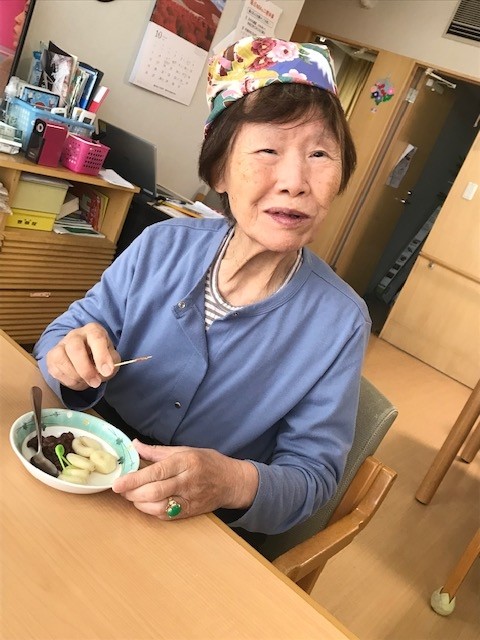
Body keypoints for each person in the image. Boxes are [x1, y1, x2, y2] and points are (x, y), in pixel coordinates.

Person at [33, 36, 371, 544]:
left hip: (194, 519)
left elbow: (313, 477)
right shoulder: (162, 244)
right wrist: (69, 358)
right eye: (268, 150)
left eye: (320, 154)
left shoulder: (342, 322)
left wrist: (232, 481)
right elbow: (60, 337)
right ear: (219, 171)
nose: (295, 181)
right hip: (86, 462)